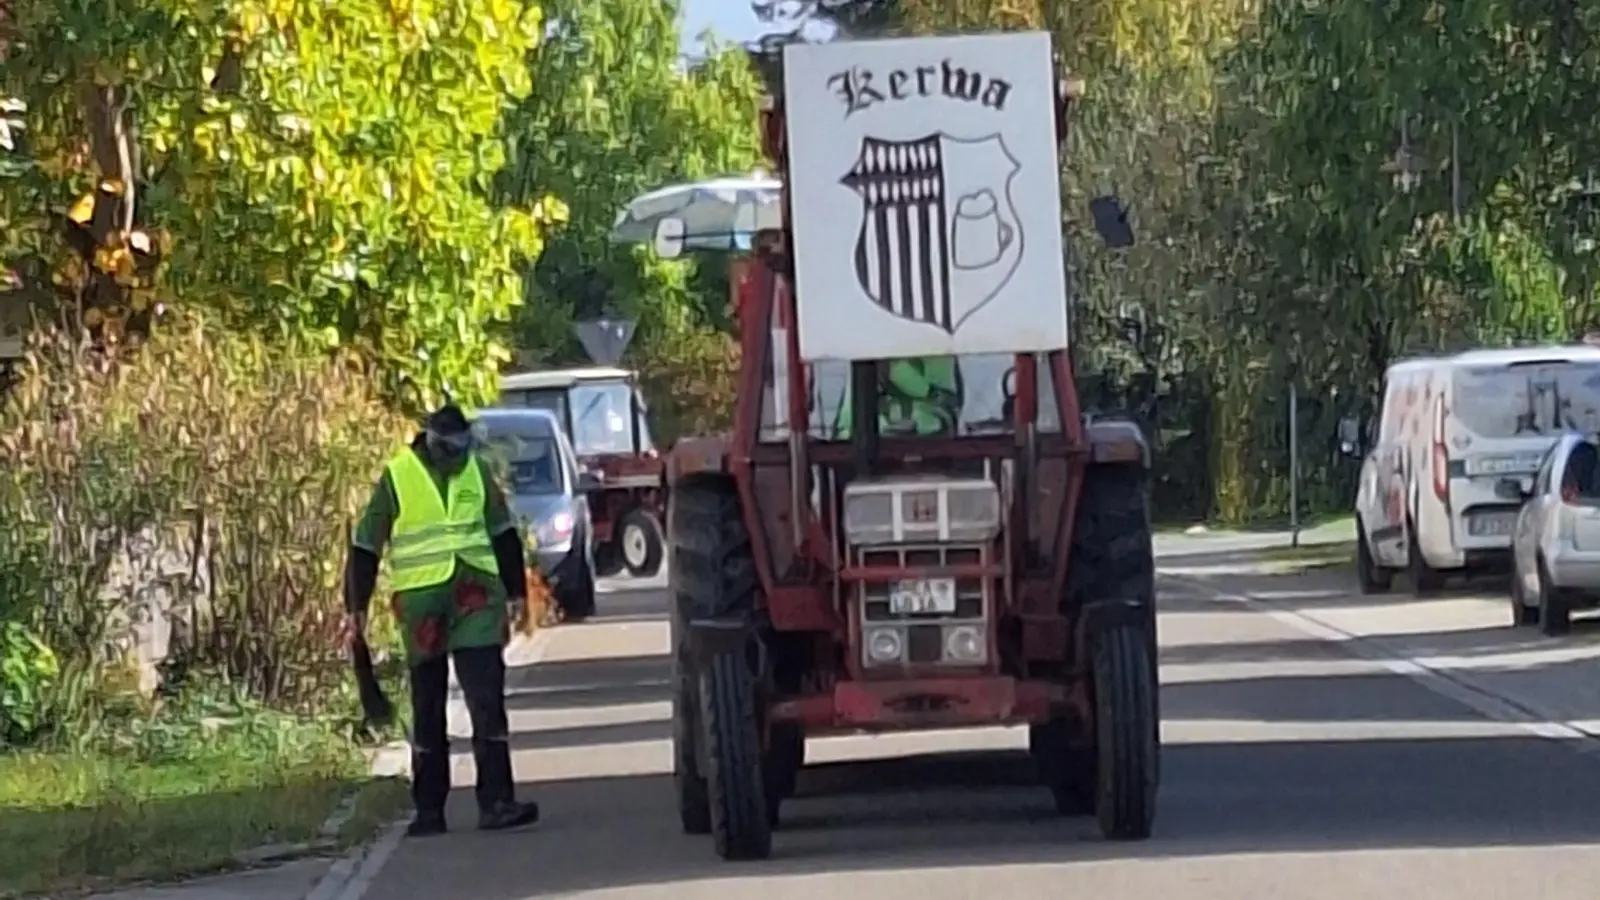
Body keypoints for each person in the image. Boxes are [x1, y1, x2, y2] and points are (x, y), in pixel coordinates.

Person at [341, 403, 541, 837]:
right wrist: (354, 606)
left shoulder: (478, 470)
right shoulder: (399, 475)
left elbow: (502, 532)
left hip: (476, 598)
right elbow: (366, 544)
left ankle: (497, 802)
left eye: (462, 445)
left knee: (487, 700)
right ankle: (429, 810)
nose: (456, 454)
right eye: (447, 446)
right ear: (429, 439)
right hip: (422, 604)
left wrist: (517, 594)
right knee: (428, 705)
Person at [833, 356, 963, 438]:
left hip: (930, 435)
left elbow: (945, 400)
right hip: (869, 441)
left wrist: (894, 369)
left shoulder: (937, 351)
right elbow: (847, 424)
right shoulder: (864, 358)